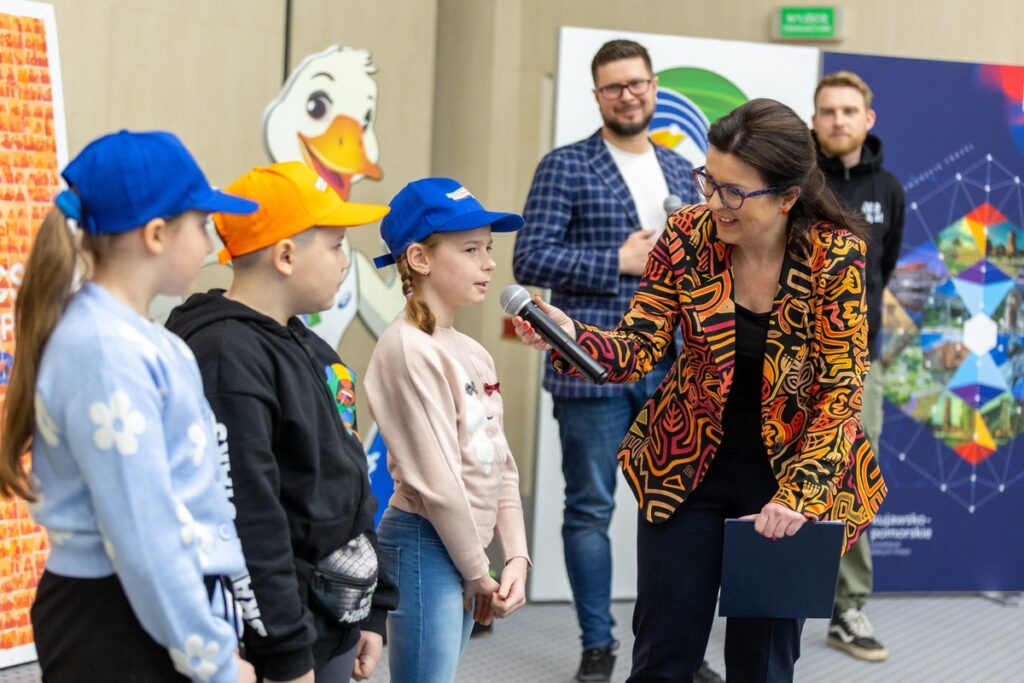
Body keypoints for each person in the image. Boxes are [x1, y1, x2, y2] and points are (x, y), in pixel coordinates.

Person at [514, 98, 888, 683]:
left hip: (788, 480)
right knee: (663, 652)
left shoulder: (835, 256)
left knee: (761, 663)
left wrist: (799, 495)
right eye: (708, 181)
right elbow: (638, 347)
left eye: (733, 192)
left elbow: (839, 391)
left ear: (787, 197)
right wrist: (572, 337)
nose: (713, 201)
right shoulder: (688, 235)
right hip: (686, 466)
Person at [0, 130, 259, 682]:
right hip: (120, 616)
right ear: (157, 234)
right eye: (203, 226)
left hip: (154, 609)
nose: (214, 247)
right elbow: (143, 534)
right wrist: (213, 661)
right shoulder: (103, 350)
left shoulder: (140, 339)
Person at [164, 162, 399, 683]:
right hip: (276, 641)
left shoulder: (308, 346)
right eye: (336, 245)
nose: (346, 260)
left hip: (330, 620)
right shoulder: (225, 356)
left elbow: (348, 482)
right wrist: (286, 655)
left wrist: (372, 607)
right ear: (286, 255)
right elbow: (249, 518)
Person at [512, 38, 699, 683]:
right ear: (596, 96)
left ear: (654, 86)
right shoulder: (564, 166)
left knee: (677, 508)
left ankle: (678, 645)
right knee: (590, 508)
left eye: (638, 83)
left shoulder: (681, 172)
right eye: (614, 86)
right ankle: (598, 645)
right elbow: (528, 259)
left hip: (673, 364)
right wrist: (616, 261)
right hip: (589, 363)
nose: (629, 95)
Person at [364, 178, 531, 683]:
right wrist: (478, 572)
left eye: (489, 248)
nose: (489, 263)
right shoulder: (407, 349)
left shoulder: (471, 351)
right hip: (424, 540)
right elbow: (438, 483)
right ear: (419, 258)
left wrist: (517, 554)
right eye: (471, 249)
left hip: (463, 548)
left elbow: (499, 463)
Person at [812, 70, 904, 663]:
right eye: (828, 111)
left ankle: (846, 606)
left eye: (849, 110)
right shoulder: (794, 180)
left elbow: (883, 269)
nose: (839, 120)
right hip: (788, 357)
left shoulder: (889, 189)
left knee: (849, 475)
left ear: (867, 119)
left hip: (857, 361)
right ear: (813, 119)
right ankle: (764, 594)